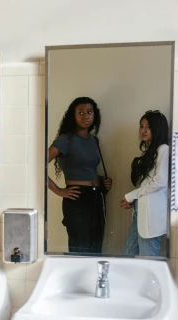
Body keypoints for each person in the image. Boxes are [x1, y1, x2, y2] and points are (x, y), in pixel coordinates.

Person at [48, 96, 112, 253]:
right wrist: (59, 190)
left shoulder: (94, 140)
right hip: (77, 198)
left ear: (94, 115)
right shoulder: (66, 140)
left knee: (96, 245)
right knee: (80, 247)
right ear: (73, 116)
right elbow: (36, 165)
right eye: (81, 112)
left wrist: (102, 181)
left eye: (89, 112)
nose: (86, 116)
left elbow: (87, 169)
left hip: (96, 197)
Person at [121, 110, 169, 257]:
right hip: (140, 212)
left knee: (147, 260)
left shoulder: (164, 150)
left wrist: (131, 195)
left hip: (151, 215)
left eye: (148, 126)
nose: (143, 130)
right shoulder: (150, 152)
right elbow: (146, 184)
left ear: (158, 128)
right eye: (141, 126)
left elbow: (160, 180)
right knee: (128, 254)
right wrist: (134, 199)